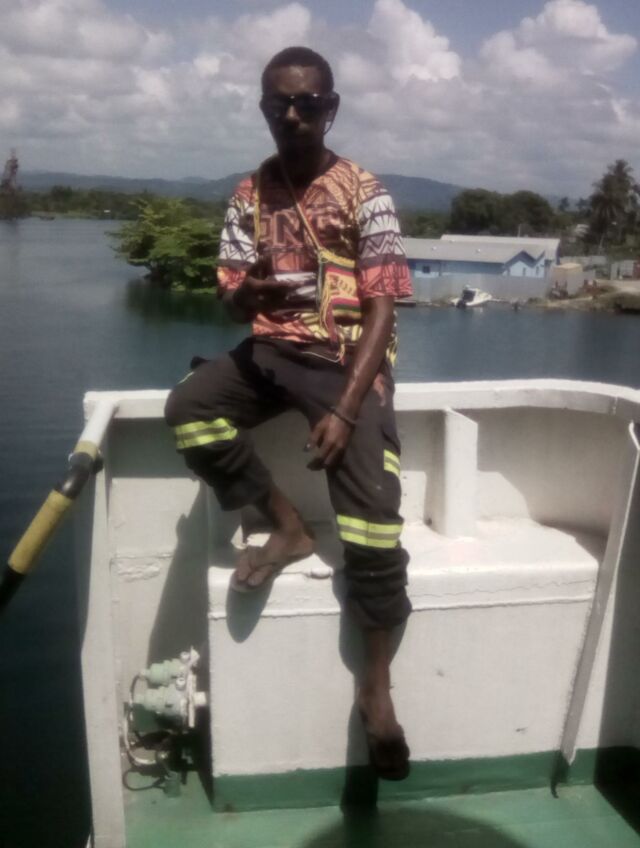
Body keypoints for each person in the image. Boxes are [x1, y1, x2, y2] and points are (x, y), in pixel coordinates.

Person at [165, 46, 412, 780]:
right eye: (280, 104)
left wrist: (347, 408)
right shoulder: (249, 193)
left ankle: (376, 689)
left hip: (346, 362)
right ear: (265, 109)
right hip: (271, 353)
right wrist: (246, 296)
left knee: (374, 523)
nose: (293, 115)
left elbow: (382, 308)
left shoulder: (365, 191)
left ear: (330, 108)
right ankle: (289, 526)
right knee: (190, 409)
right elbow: (231, 295)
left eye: (307, 103)